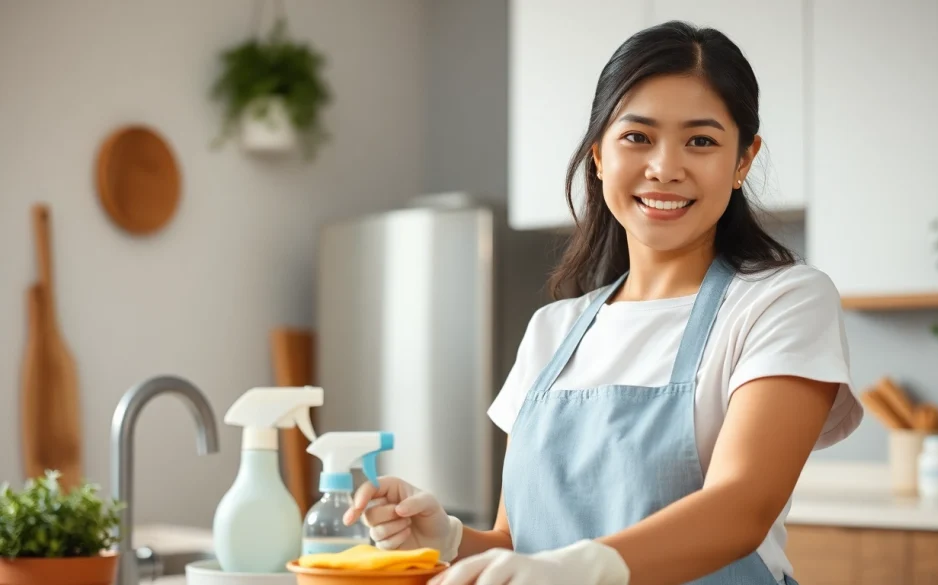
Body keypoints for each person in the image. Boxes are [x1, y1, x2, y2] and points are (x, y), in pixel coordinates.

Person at [342, 20, 863, 585]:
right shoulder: (553, 330)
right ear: (597, 154)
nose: (665, 167)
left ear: (743, 159)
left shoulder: (781, 302)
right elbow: (520, 546)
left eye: (702, 140)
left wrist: (584, 568)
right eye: (637, 137)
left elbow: (742, 508)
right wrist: (444, 539)